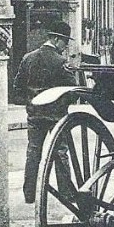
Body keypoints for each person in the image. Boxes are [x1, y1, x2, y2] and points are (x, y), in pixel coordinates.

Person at [13, 20, 76, 204]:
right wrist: (63, 103)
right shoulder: (61, 62)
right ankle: (66, 193)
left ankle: (29, 193)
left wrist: (31, 101)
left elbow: (17, 88)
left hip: (35, 114)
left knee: (33, 152)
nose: (65, 47)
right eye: (65, 42)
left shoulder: (28, 58)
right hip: (56, 115)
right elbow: (73, 90)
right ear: (57, 40)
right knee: (61, 152)